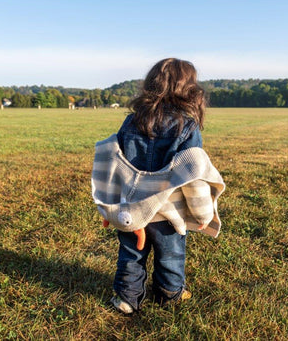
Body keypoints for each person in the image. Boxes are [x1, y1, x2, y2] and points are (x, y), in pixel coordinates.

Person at [91, 58, 225, 314]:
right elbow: (193, 176)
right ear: (188, 90)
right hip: (168, 214)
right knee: (171, 256)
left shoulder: (130, 123)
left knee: (131, 255)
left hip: (131, 210)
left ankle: (126, 299)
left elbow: (115, 167)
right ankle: (169, 293)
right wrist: (203, 215)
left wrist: (110, 208)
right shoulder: (187, 126)